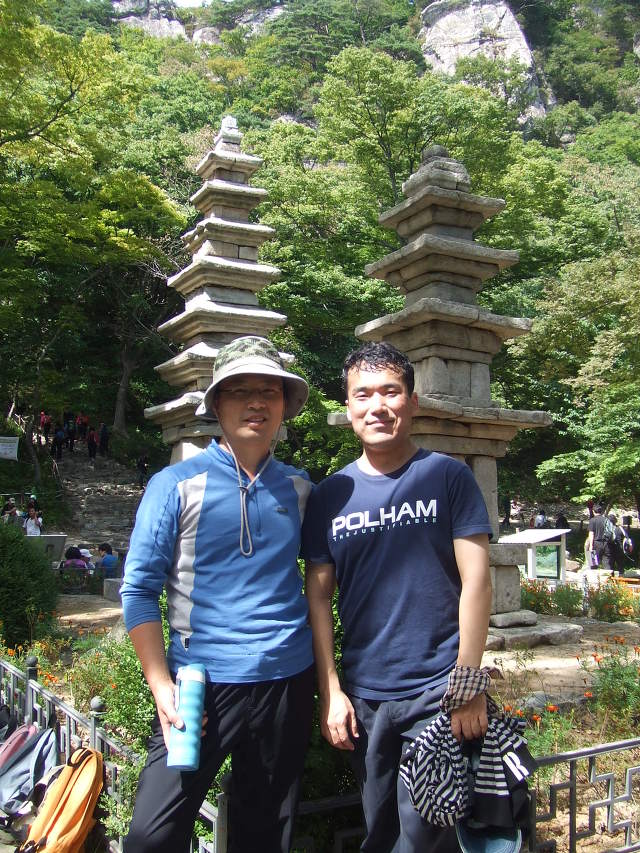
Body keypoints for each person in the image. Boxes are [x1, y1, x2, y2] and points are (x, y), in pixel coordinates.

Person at [120, 336, 314, 853]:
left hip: (286, 680)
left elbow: (325, 577)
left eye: (269, 391)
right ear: (217, 404)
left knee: (265, 834)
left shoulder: (299, 488)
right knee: (151, 836)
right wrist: (160, 684)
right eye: (240, 390)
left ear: (284, 404)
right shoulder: (175, 484)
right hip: (199, 685)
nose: (256, 402)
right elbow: (138, 590)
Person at [302, 341, 493, 853]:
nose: (377, 406)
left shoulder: (447, 477)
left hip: (438, 690)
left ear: (412, 401)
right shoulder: (330, 495)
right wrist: (331, 690)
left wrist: (467, 683)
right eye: (363, 394)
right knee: (381, 829)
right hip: (366, 696)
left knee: (426, 832)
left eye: (390, 391)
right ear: (348, 407)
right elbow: (317, 598)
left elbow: (477, 580)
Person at [588, 503, 612, 571]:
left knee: (593, 563)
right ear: (601, 511)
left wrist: (590, 546)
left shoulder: (592, 520)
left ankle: (594, 577)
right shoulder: (606, 520)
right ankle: (609, 576)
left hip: (596, 543)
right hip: (606, 543)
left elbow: (591, 533)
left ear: (593, 511)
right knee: (606, 562)